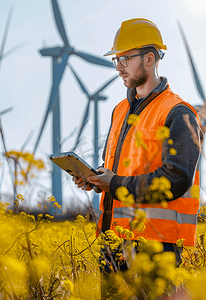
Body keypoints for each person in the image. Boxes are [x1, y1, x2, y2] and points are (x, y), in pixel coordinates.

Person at [73, 17, 203, 297]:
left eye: (125, 58)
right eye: (116, 59)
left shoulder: (178, 113)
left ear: (149, 59)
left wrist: (115, 183)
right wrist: (96, 178)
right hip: (112, 242)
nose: (118, 67)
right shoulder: (120, 110)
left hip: (155, 248)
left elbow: (176, 179)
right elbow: (121, 169)